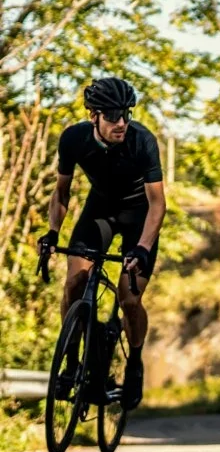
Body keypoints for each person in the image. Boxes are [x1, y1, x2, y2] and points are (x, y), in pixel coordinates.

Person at [37, 77, 165, 410]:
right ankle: (71, 362)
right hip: (100, 211)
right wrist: (52, 233)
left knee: (129, 299)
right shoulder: (74, 139)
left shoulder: (143, 141)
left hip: (139, 216)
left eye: (126, 114)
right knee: (74, 283)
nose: (121, 123)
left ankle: (134, 363)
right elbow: (61, 193)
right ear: (93, 116)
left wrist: (143, 247)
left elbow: (157, 204)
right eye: (112, 116)